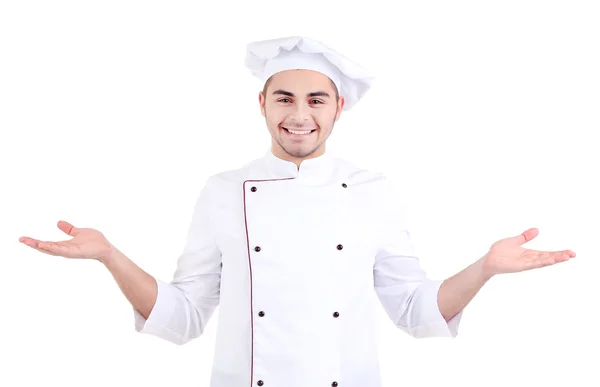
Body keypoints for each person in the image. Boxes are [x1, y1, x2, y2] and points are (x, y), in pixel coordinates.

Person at [18, 36, 576, 387]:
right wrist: (110, 257)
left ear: (338, 108)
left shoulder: (372, 189)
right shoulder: (223, 189)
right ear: (262, 103)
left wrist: (485, 268)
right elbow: (184, 316)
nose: (299, 114)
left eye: (316, 100)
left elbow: (415, 310)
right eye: (284, 97)